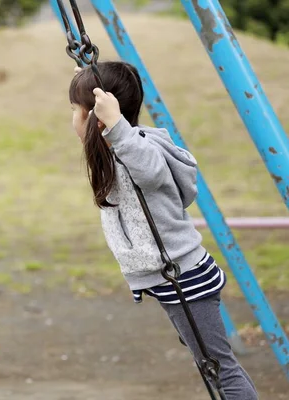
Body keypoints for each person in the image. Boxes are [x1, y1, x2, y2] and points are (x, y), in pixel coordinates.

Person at [69, 62, 258, 399]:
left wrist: (116, 126)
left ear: (99, 118)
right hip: (173, 280)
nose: (72, 119)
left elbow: (151, 170)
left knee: (221, 369)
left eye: (75, 110)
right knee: (208, 363)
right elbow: (107, 146)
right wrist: (88, 80)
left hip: (185, 278)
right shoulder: (117, 148)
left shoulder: (136, 151)